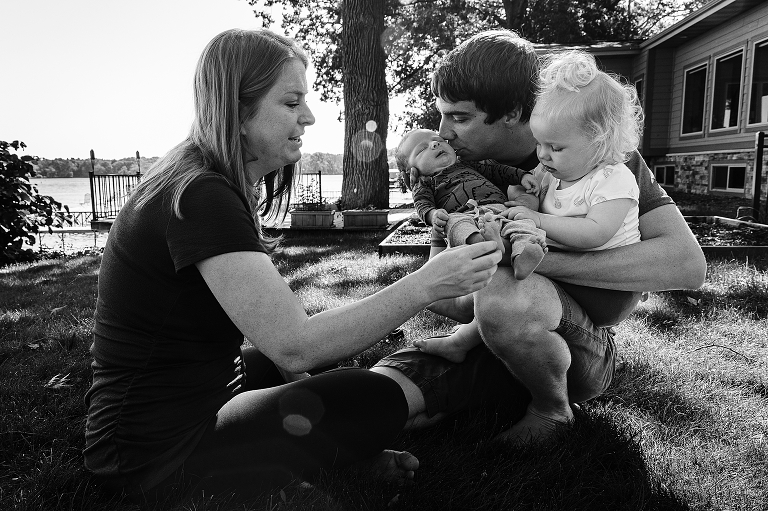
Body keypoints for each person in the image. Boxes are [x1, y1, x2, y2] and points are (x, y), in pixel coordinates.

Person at [82, 28, 502, 501]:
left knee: (318, 377)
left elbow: (275, 335)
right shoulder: (201, 195)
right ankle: (288, 469)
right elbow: (294, 346)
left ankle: (310, 460)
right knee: (372, 396)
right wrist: (425, 285)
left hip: (188, 399)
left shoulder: (200, 177)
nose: (309, 115)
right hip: (151, 454)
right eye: (290, 102)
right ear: (239, 110)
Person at [371, 30, 706, 444]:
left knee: (507, 295)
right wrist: (444, 226)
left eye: (459, 117)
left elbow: (686, 265)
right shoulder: (460, 173)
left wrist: (521, 260)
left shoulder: (594, 150)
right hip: (492, 329)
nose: (443, 133)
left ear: (512, 112)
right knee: (378, 396)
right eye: (441, 116)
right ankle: (484, 388)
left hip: (577, 339)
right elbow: (449, 300)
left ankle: (550, 407)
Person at [412, 50, 644, 363]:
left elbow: (595, 234)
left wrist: (532, 219)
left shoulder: (614, 177)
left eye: (555, 147)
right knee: (504, 268)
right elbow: (444, 300)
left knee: (506, 272)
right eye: (539, 144)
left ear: (599, 141)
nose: (543, 155)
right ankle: (462, 341)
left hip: (604, 292)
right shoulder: (552, 168)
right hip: (565, 279)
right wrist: (520, 201)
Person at [396, 128, 547, 280]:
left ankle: (522, 258)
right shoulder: (424, 182)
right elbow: (422, 204)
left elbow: (497, 171)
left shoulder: (468, 164)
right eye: (422, 149)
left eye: (440, 141)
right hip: (464, 215)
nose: (435, 144)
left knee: (522, 222)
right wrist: (433, 215)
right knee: (453, 225)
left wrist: (521, 177)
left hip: (500, 209)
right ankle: (484, 244)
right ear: (411, 171)